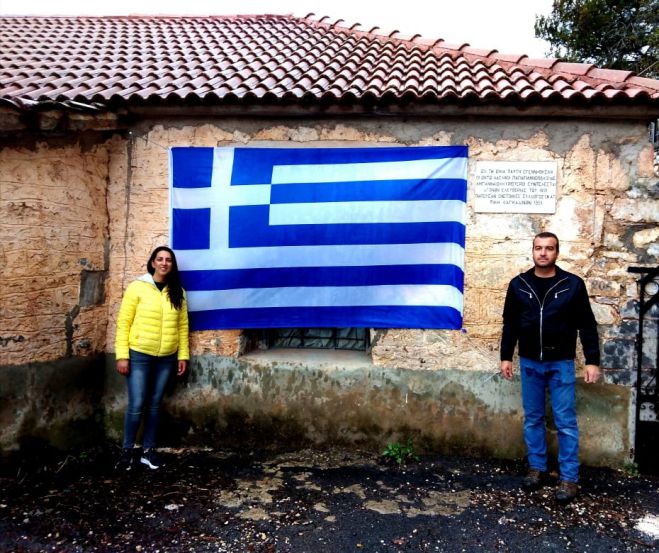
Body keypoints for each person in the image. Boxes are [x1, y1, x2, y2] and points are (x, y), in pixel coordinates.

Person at [500, 232, 600, 503]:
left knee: (565, 421)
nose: (543, 253)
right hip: (530, 362)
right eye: (538, 248)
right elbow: (510, 323)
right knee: (533, 418)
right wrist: (506, 356)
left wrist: (592, 360)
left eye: (549, 248)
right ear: (532, 251)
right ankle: (537, 468)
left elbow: (587, 325)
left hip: (561, 363)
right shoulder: (518, 284)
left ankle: (569, 478)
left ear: (557, 252)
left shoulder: (572, 284)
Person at [114, 246, 189, 471]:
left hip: (167, 357)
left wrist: (182, 355)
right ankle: (127, 451)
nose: (164, 263)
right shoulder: (137, 288)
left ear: (172, 265)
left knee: (155, 406)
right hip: (139, 355)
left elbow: (183, 326)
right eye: (160, 259)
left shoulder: (178, 291)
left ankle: (148, 451)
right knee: (137, 404)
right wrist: (122, 356)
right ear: (153, 263)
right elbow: (124, 322)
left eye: (168, 260)